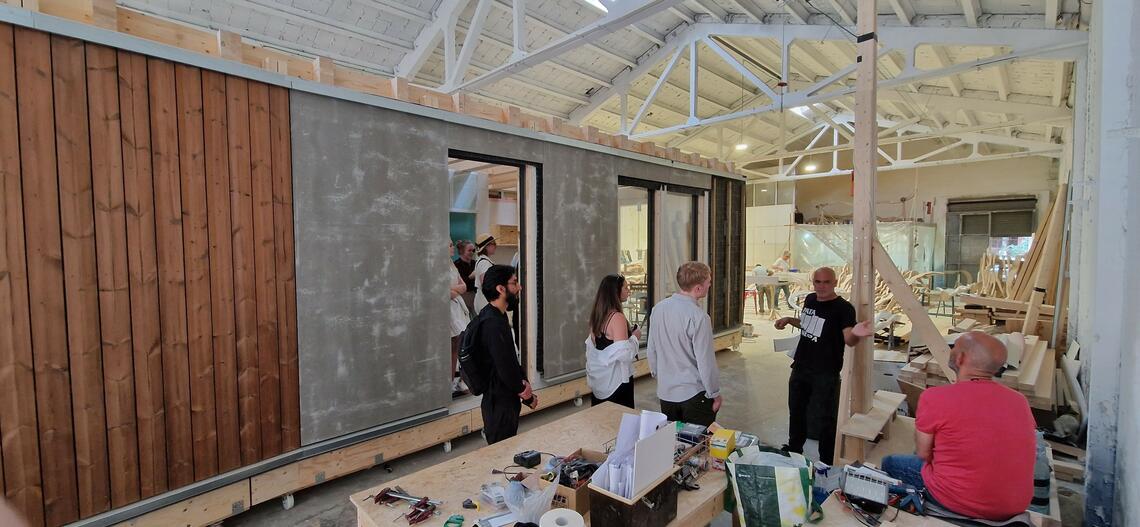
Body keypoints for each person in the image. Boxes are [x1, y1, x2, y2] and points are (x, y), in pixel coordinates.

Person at [881, 332, 1036, 521]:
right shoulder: (1020, 401)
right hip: (1014, 505)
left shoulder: (935, 397)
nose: (951, 350)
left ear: (961, 358)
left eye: (954, 346)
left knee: (890, 463)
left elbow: (923, 454)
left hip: (959, 500)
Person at [774, 267, 873, 464]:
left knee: (826, 418)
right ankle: (794, 449)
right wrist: (789, 320)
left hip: (826, 372)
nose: (821, 286)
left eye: (826, 282)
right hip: (801, 366)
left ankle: (826, 461)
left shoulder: (843, 308)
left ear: (835, 283)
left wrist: (857, 333)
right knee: (796, 411)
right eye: (817, 282)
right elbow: (808, 324)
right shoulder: (810, 299)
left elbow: (849, 339)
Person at [646, 262, 722, 426]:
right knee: (698, 440)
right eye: (708, 282)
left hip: (666, 394)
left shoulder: (658, 309)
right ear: (698, 288)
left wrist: (660, 376)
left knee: (673, 438)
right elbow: (706, 362)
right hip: (693, 395)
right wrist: (714, 393)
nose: (710, 285)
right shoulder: (699, 317)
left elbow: (651, 349)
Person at [473, 264, 536, 444]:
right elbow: (506, 368)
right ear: (501, 289)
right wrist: (527, 396)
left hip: (501, 399)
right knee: (502, 451)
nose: (519, 287)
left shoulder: (494, 315)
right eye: (514, 283)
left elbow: (509, 360)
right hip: (500, 403)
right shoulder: (493, 324)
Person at [585, 274, 641, 409]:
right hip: (617, 383)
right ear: (615, 292)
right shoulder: (617, 318)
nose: (629, 291)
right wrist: (635, 337)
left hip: (600, 383)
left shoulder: (596, 316)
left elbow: (597, 347)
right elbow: (624, 354)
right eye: (625, 288)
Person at [448, 241, 471, 397]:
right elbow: (445, 290)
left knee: (461, 343)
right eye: (449, 245)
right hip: (448, 308)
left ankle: (459, 380)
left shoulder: (451, 264)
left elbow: (464, 286)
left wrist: (454, 290)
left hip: (457, 306)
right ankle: (450, 382)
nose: (452, 248)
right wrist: (456, 290)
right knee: (453, 344)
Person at [472, 233, 497, 314]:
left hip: (483, 298)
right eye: (493, 244)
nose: (495, 246)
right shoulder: (485, 263)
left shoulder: (483, 260)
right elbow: (485, 283)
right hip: (485, 300)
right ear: (487, 247)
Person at [454, 240, 477, 313]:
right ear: (462, 251)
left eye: (473, 250)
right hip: (464, 295)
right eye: (469, 250)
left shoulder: (475, 263)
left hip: (475, 294)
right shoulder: (457, 265)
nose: (472, 252)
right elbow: (458, 282)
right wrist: (470, 277)